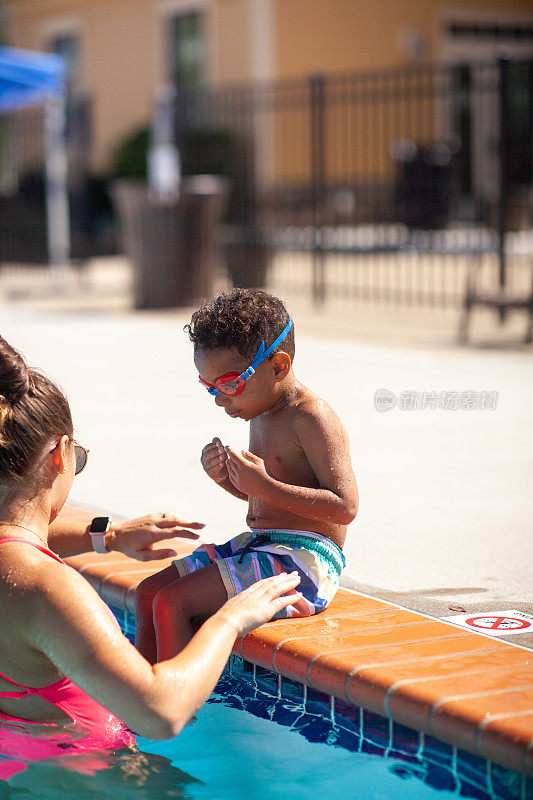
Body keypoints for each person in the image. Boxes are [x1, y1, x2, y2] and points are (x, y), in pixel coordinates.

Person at [0, 334, 301, 745]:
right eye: (79, 459)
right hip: (90, 778)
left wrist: (111, 536)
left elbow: (19, 538)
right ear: (60, 454)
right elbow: (162, 713)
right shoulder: (46, 588)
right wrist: (230, 618)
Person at [136, 289, 358, 663]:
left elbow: (345, 507)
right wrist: (230, 480)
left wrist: (265, 485)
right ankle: (138, 702)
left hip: (303, 561)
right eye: (210, 388)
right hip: (262, 545)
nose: (221, 399)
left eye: (229, 384)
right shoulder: (260, 410)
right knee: (148, 592)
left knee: (173, 603)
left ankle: (170, 710)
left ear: (278, 366)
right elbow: (264, 500)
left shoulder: (312, 418)